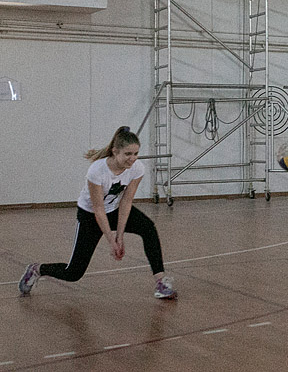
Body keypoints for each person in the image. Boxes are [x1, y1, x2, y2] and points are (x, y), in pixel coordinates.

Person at [18, 127, 176, 299]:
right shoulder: (97, 170)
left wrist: (120, 236)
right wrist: (111, 241)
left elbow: (126, 201)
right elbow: (98, 209)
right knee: (73, 272)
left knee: (148, 228)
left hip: (114, 210)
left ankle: (160, 282)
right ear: (115, 152)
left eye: (136, 153)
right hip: (90, 216)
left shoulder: (137, 168)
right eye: (128, 154)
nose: (132, 159)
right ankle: (37, 269)